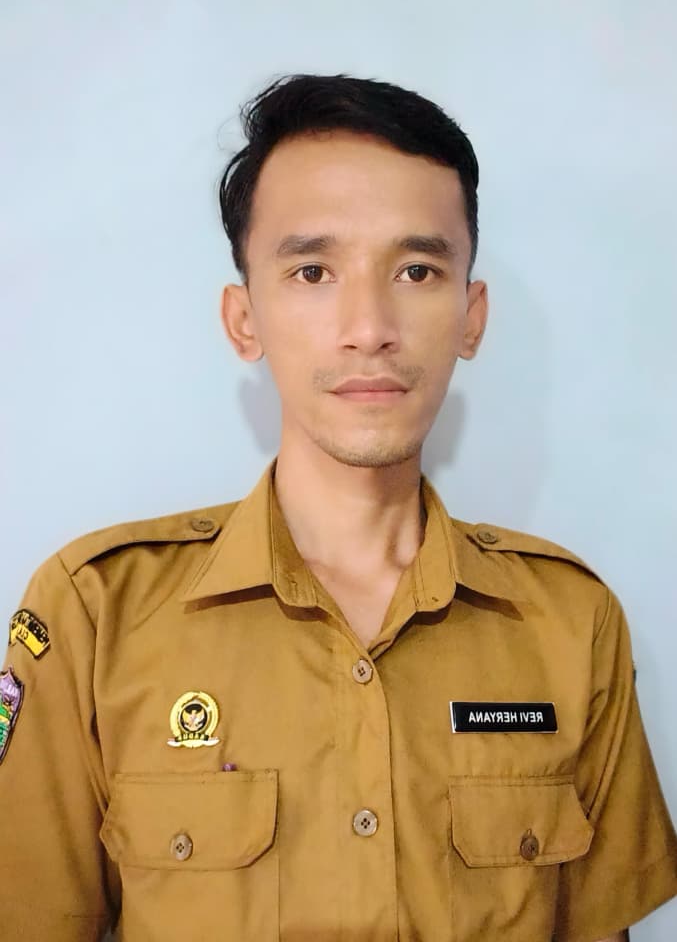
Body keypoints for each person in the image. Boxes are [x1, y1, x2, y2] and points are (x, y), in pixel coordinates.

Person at [1, 74, 676, 942]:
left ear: (470, 318)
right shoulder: (94, 610)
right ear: (244, 320)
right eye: (313, 271)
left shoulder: (568, 622)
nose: (368, 326)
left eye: (416, 270)